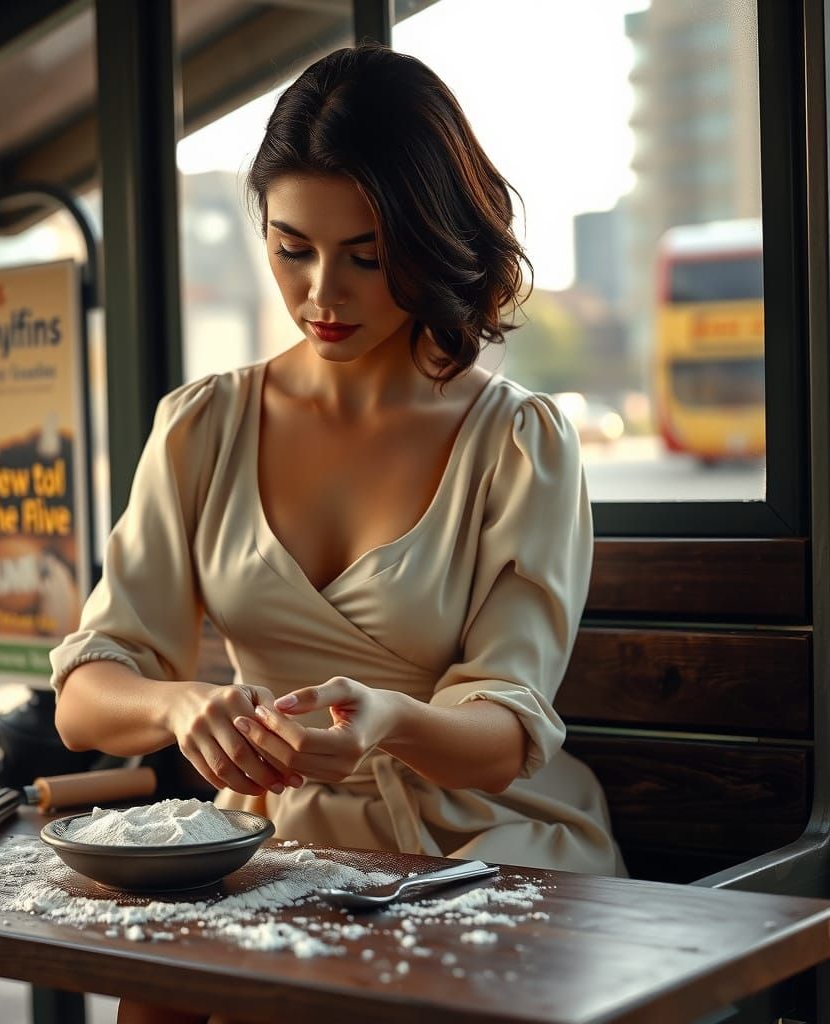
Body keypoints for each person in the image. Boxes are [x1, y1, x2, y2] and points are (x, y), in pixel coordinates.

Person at [49, 43, 625, 1024]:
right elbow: (86, 695)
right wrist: (185, 704)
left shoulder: (519, 443)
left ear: (431, 237)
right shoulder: (201, 427)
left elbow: (504, 734)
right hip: (272, 850)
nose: (323, 294)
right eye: (292, 248)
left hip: (480, 848)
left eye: (366, 255)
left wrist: (389, 723)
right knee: (153, 1000)